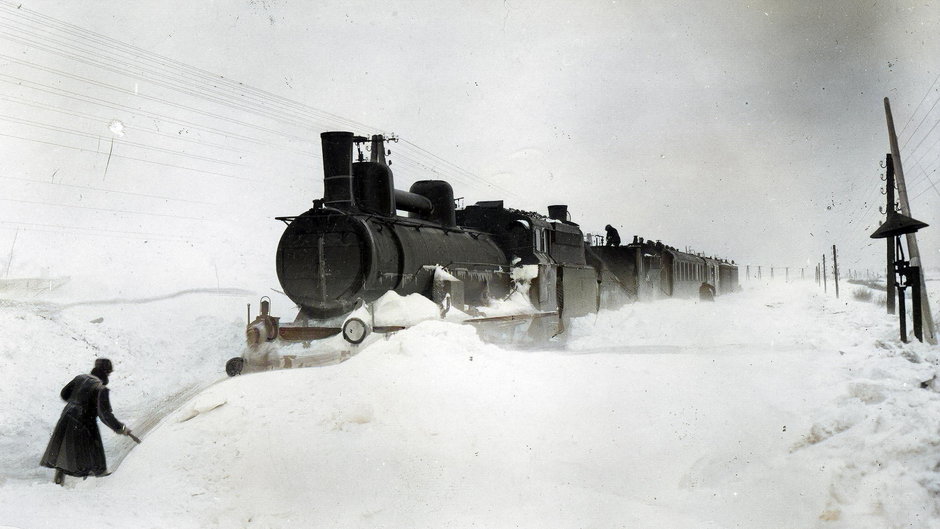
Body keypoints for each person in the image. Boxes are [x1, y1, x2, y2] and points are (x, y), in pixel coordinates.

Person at [40, 358, 135, 485]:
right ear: (106, 373)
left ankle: (59, 475)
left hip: (67, 416)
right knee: (94, 447)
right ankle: (102, 476)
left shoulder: (80, 378)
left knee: (64, 445)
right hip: (84, 421)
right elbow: (105, 415)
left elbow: (64, 394)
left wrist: (75, 401)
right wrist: (121, 428)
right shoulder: (101, 388)